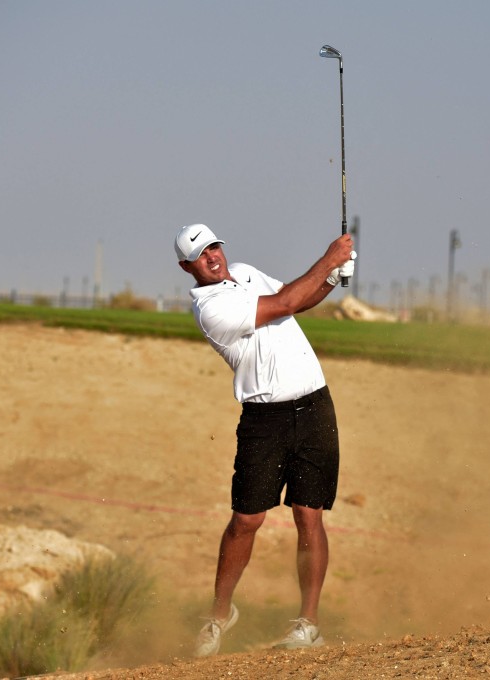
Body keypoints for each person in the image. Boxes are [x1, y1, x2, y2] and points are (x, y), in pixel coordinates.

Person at [174, 223, 355, 656]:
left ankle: (308, 623)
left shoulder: (246, 272)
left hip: (315, 407)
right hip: (265, 418)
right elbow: (285, 301)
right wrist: (329, 258)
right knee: (247, 520)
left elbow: (301, 301)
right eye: (202, 254)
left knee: (309, 515)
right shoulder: (209, 307)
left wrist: (333, 277)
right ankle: (219, 616)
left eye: (215, 246)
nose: (213, 256)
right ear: (187, 266)